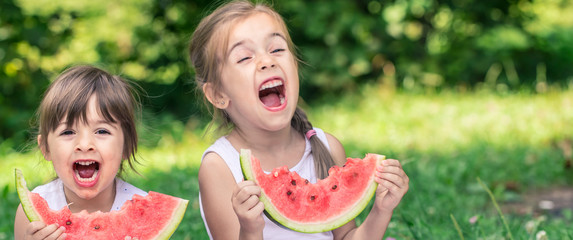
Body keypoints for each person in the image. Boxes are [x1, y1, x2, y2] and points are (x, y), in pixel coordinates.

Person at [188, 1, 410, 239]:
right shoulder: (219, 167)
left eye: (276, 50)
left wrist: (381, 210)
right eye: (244, 58)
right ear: (218, 95)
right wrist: (250, 230)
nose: (267, 61)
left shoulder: (327, 147)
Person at [14, 65, 146, 240]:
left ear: (127, 147)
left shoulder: (142, 209)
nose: (84, 145)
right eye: (68, 132)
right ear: (46, 148)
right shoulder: (29, 212)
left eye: (102, 131)